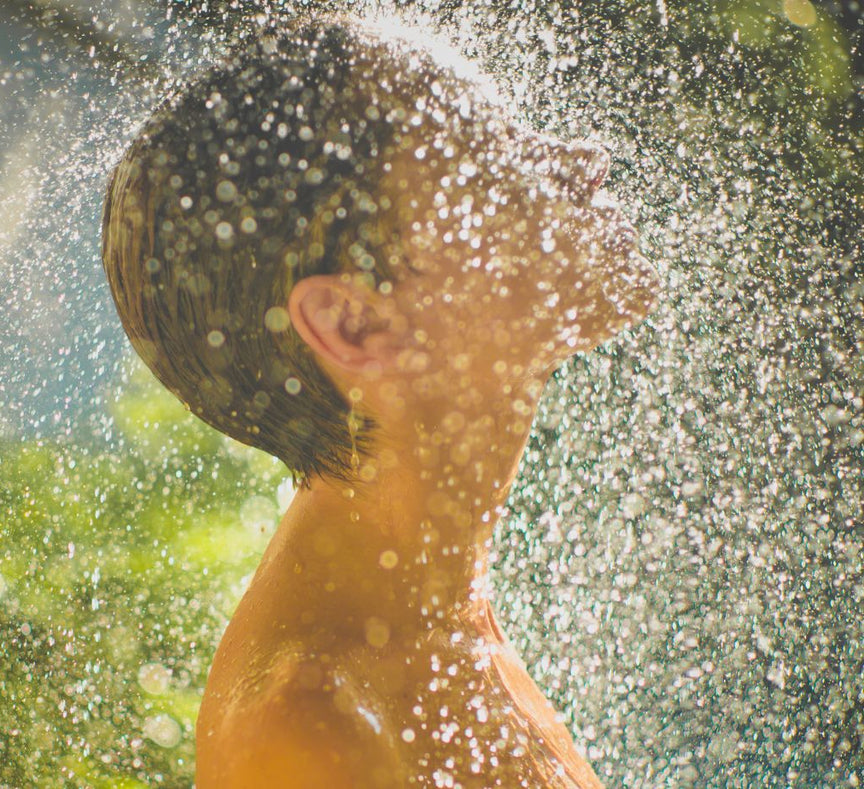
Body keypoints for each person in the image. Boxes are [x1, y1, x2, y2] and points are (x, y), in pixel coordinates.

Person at [101, 14, 659, 788]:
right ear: (355, 322)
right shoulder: (306, 740)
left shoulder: (429, 598)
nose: (580, 160)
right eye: (489, 155)